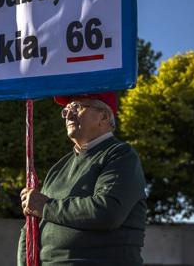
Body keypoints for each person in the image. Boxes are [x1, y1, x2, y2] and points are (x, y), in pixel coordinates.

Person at [17, 92, 147, 265]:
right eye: (66, 110)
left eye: (77, 107)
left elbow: (107, 211)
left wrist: (45, 206)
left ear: (104, 116)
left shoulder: (120, 155)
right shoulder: (59, 167)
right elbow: (31, 226)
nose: (69, 114)